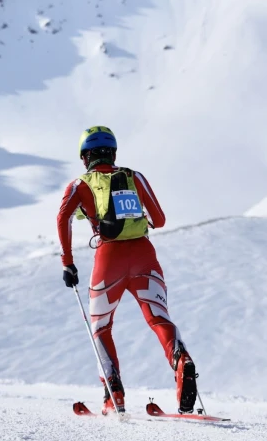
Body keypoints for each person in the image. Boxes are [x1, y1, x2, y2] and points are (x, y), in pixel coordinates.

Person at [55, 126, 200, 415]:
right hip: (145, 256)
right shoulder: (135, 178)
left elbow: (63, 218)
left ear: (85, 157)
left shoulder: (79, 185)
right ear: (114, 152)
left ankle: (114, 395)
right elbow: (159, 219)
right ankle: (181, 361)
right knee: (159, 318)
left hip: (109, 261)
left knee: (101, 327)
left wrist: (68, 262)